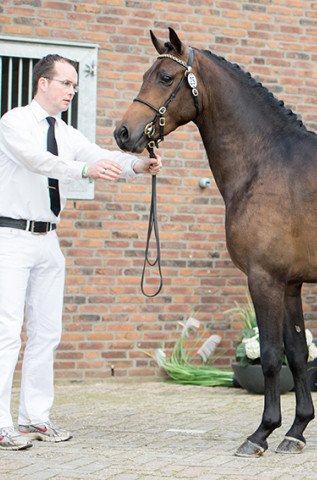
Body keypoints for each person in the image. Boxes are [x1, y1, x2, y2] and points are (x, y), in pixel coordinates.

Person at [0, 54, 162, 450]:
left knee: (46, 333)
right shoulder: (13, 123)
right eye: (66, 83)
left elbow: (95, 155)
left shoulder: (65, 131)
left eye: (74, 85)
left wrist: (138, 167)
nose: (72, 90)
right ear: (43, 83)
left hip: (48, 241)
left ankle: (35, 418)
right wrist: (83, 172)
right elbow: (38, 161)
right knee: (6, 332)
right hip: (11, 238)